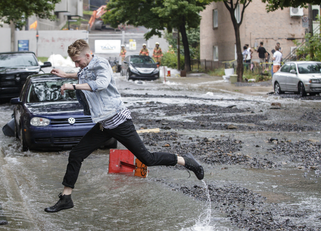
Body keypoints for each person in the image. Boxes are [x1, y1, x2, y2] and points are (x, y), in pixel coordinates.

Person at [45, 39, 204, 213]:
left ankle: (185, 160)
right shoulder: (87, 67)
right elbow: (85, 74)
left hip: (119, 122)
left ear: (88, 55)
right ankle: (66, 198)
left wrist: (72, 86)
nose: (77, 65)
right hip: (104, 125)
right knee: (76, 154)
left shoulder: (102, 64)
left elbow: (101, 83)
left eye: (78, 61)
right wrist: (66, 75)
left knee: (147, 159)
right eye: (74, 62)